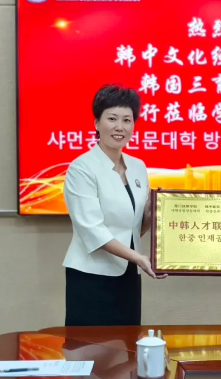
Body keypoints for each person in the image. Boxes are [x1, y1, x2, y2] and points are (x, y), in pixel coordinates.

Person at [63, 84, 166, 327]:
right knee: (90, 345)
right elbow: (92, 230)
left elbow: (131, 229)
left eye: (127, 120)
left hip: (129, 273)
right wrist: (139, 258)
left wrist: (150, 214)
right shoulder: (81, 168)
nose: (120, 127)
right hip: (91, 275)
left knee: (128, 342)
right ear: (97, 123)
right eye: (112, 118)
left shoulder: (138, 166)